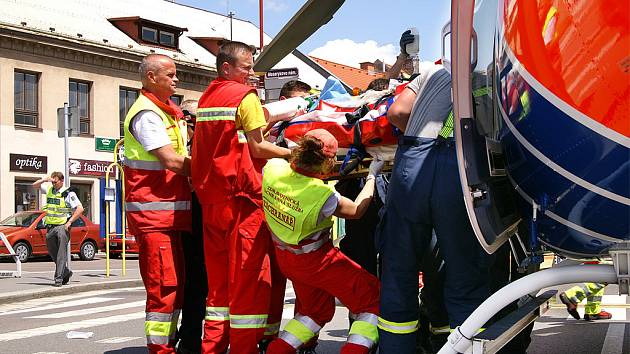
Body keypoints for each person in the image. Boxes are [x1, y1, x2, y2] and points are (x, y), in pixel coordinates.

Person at [376, 61, 493, 353]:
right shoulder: (488, 78)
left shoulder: (430, 72)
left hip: (413, 162)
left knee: (399, 270)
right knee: (464, 270)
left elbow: (397, 112)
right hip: (459, 167)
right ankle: (464, 347)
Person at [191, 41, 291, 354]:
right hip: (242, 200)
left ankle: (213, 347)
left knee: (218, 284)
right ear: (226, 68)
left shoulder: (208, 96)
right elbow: (258, 147)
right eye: (246, 67)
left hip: (211, 199)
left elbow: (221, 141)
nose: (251, 73)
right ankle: (245, 348)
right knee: (248, 277)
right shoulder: (244, 97)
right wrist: (294, 153)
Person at [262, 129, 382, 354]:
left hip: (288, 259)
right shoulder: (321, 195)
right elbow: (356, 210)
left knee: (314, 312)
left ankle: (277, 350)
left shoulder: (273, 169)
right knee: (373, 301)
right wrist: (372, 176)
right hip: (318, 261)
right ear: (328, 161)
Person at [123, 53, 192, 353]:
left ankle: (168, 344)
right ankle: (160, 349)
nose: (176, 79)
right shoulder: (147, 114)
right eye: (170, 74)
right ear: (151, 77)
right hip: (153, 216)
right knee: (164, 288)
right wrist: (213, 170)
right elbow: (172, 160)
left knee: (174, 287)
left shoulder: (168, 111)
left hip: (167, 215)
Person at [176, 99, 208, 354]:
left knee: (196, 286)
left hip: (198, 222)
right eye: (195, 122)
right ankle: (188, 339)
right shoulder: (181, 145)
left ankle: (189, 338)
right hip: (187, 224)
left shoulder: (198, 143)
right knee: (194, 286)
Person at [33, 172, 83, 287]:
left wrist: (69, 222)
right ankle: (66, 272)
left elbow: (80, 209)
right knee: (52, 252)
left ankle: (58, 279)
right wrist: (45, 179)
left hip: (62, 227)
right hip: (50, 227)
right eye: (52, 182)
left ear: (61, 181)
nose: (54, 184)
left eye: (55, 182)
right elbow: (34, 185)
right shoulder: (50, 190)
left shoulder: (68, 193)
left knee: (61, 253)